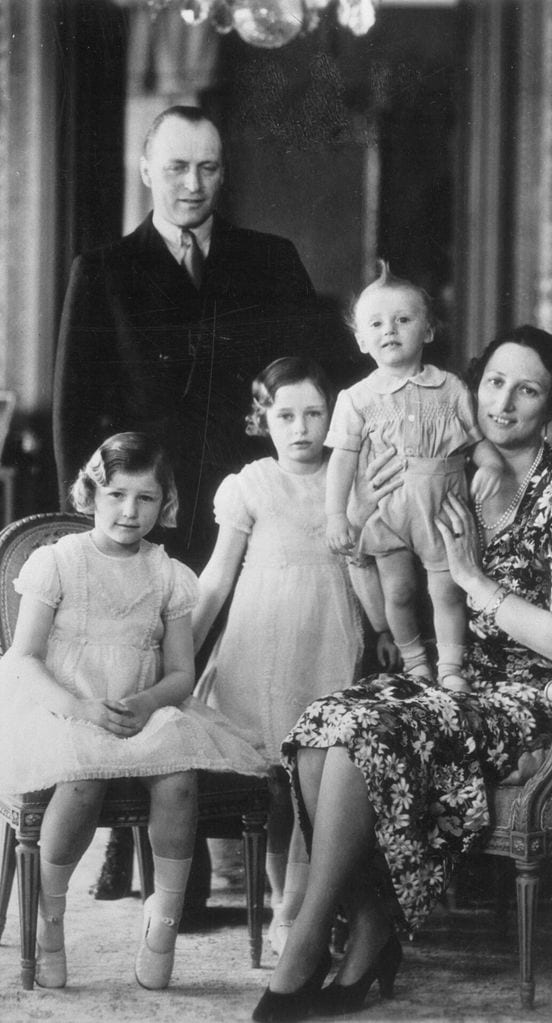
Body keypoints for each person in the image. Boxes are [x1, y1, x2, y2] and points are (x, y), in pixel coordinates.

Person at [250, 325, 552, 1022]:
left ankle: (305, 946)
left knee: (368, 734)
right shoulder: (442, 469)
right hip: (443, 681)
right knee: (324, 720)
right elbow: (386, 609)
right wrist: (359, 518)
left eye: (528, 389)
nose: (504, 402)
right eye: (495, 382)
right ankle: (368, 928)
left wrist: (474, 580)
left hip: (529, 696)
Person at [52, 104, 327, 906]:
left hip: (251, 512)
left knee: (240, 678)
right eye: (175, 166)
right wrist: (96, 528)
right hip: (145, 514)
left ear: (222, 174)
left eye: (207, 167)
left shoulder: (270, 260)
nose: (192, 184)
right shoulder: (101, 269)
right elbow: (75, 415)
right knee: (148, 674)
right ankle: (151, 854)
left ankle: (236, 849)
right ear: (147, 169)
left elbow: (323, 372)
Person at [0, 433, 265, 991]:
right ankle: (50, 923)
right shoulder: (58, 563)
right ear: (92, 493)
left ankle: (162, 926)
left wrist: (146, 702)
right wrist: (79, 707)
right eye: (117, 495)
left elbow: (180, 675)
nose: (129, 511)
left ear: (163, 502)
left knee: (178, 781)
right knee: (83, 780)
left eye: (146, 498)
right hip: (64, 708)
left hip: (141, 709)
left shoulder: (166, 573)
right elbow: (22, 658)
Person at [192, 357, 394, 956]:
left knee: (318, 781)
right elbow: (217, 578)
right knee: (275, 785)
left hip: (327, 638)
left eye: (314, 413)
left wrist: (384, 627)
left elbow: (369, 565)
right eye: (285, 415)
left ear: (333, 418)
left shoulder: (347, 479)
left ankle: (307, 904)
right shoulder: (250, 484)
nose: (301, 427)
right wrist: (183, 649)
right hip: (260, 645)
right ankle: (284, 906)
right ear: (263, 419)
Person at [325, 262, 504, 693]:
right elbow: (343, 461)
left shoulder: (452, 389)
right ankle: (414, 661)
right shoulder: (357, 399)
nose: (390, 330)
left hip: (443, 512)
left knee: (446, 592)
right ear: (361, 340)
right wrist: (336, 515)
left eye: (403, 320)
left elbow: (476, 443)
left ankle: (451, 666)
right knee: (400, 594)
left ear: (427, 331)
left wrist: (493, 464)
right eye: (377, 323)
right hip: (389, 513)